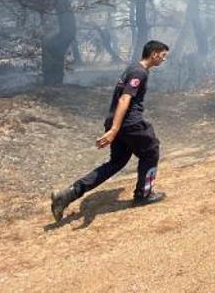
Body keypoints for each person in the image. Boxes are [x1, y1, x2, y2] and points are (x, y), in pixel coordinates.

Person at [50, 40, 170, 221]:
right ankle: (144, 194)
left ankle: (68, 194)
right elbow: (124, 99)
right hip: (130, 123)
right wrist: (114, 129)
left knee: (117, 162)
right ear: (154, 54)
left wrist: (114, 126)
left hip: (118, 122)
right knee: (151, 150)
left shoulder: (133, 68)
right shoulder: (139, 72)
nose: (163, 59)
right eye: (163, 55)